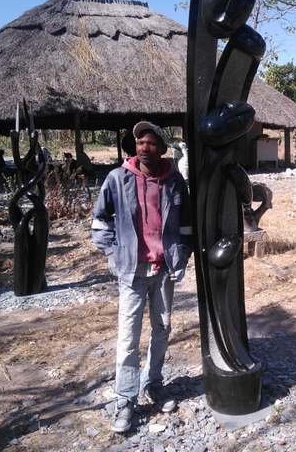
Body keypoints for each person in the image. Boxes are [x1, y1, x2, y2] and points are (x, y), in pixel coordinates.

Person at [92, 121, 192, 433]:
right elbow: (100, 219)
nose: (143, 148)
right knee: (128, 337)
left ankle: (153, 384)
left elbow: (186, 223)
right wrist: (111, 252)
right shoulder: (118, 178)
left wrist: (182, 254)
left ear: (163, 148)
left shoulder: (175, 181)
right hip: (131, 271)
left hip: (163, 270)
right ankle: (125, 399)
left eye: (150, 143)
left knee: (162, 329)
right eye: (139, 143)